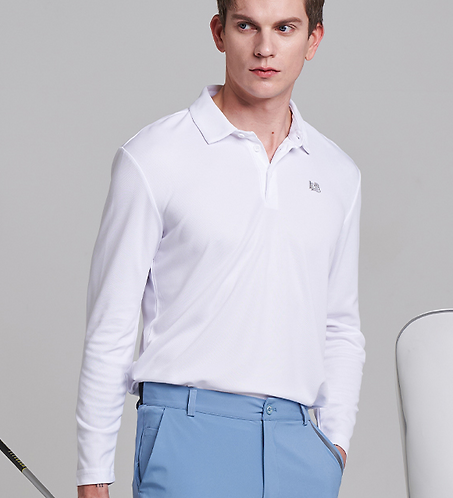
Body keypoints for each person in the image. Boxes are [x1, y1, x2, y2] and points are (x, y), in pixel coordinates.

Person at [76, 0, 365, 496]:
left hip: (299, 446)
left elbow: (340, 325)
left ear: (313, 40)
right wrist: (93, 476)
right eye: (247, 25)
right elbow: (112, 326)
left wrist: (333, 447)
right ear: (219, 32)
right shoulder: (154, 156)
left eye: (285, 28)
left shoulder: (338, 173)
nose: (265, 48)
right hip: (187, 436)